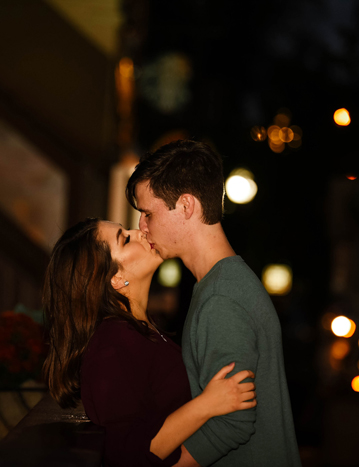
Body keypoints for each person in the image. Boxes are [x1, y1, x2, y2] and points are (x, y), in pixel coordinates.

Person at [126, 139, 301, 466]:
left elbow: (233, 422)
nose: (142, 226)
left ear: (186, 206)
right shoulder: (223, 284)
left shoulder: (222, 298)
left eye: (149, 213)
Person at [42, 218, 256, 467]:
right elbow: (125, 453)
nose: (140, 232)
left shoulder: (141, 329)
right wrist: (207, 404)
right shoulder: (112, 343)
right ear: (115, 278)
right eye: (126, 239)